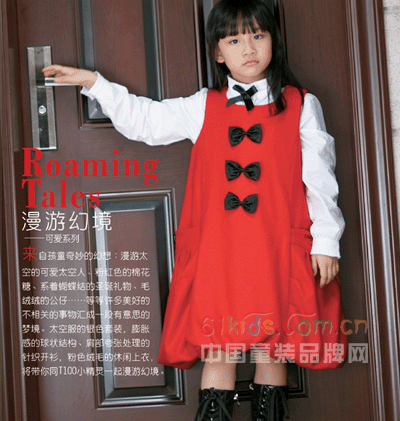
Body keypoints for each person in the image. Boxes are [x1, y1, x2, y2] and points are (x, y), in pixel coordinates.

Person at [42, 0, 347, 419]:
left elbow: (320, 179)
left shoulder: (300, 105)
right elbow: (145, 121)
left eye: (257, 35)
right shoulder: (203, 106)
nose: (248, 48)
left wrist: (326, 241)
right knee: (220, 347)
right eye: (234, 40)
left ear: (273, 41)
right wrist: (94, 83)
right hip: (219, 253)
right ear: (218, 52)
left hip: (276, 247)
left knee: (272, 346)